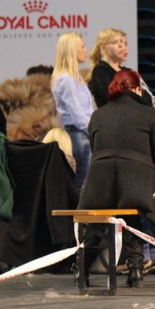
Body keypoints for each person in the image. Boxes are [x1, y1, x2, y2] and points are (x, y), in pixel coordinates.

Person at [78, 69, 155, 288]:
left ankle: (82, 269)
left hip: (98, 185)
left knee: (98, 223)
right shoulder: (148, 113)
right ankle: (136, 270)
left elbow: (94, 148)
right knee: (133, 213)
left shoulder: (98, 115)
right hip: (136, 185)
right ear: (137, 89)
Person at [51, 32, 95, 193]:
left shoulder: (75, 78)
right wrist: (93, 130)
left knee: (87, 176)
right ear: (72, 50)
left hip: (83, 132)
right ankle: (78, 214)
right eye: (82, 46)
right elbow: (77, 115)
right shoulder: (66, 80)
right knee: (84, 176)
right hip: (79, 133)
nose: (86, 50)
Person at [87, 28, 155, 108]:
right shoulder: (100, 71)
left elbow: (147, 98)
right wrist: (135, 95)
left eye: (125, 43)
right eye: (116, 43)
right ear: (103, 48)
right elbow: (113, 99)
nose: (123, 47)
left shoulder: (128, 72)